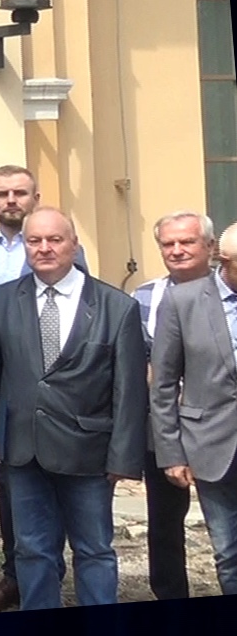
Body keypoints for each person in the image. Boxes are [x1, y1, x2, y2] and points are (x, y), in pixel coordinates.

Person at [0, 207, 145, 611]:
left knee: (94, 550)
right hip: (23, 450)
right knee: (32, 550)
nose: (44, 248)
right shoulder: (3, 300)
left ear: (74, 245)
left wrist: (123, 457)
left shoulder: (116, 307)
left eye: (54, 239)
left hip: (89, 454)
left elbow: (130, 392)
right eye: (34, 241)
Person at [150, 222, 237, 595]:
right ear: (225, 260)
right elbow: (163, 383)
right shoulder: (182, 301)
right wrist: (171, 453)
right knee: (229, 553)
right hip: (212, 445)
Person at [134, 211, 217, 600]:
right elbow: (138, 362)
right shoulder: (145, 297)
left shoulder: (228, 293)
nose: (177, 250)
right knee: (164, 523)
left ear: (210, 247)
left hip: (220, 425)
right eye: (168, 244)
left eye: (187, 242)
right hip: (163, 426)